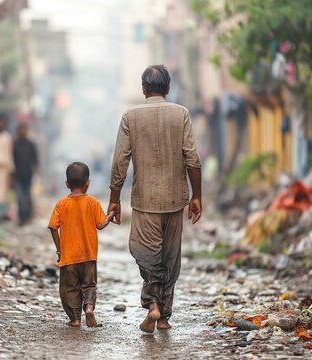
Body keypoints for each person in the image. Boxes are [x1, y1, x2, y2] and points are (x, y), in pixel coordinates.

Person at [108, 65, 202, 333]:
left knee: (148, 254)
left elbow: (120, 161)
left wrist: (114, 198)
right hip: (176, 198)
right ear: (168, 88)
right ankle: (164, 318)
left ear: (143, 89)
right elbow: (192, 158)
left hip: (145, 199)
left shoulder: (130, 117)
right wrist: (197, 196)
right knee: (171, 258)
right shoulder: (181, 113)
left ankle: (152, 305)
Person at [48, 162, 113, 328]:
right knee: (89, 285)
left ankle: (75, 318)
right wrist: (111, 215)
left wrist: (59, 249)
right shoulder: (92, 203)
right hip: (89, 255)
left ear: (67, 184)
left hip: (68, 257)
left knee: (69, 289)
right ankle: (89, 308)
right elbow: (101, 224)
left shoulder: (61, 204)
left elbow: (53, 227)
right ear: (88, 183)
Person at [13, 124, 38, 225]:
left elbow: (35, 160)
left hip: (28, 175)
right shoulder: (15, 144)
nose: (23, 132)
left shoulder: (31, 144)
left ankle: (27, 215)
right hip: (18, 175)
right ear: (18, 132)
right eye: (21, 130)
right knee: (19, 197)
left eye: (25, 130)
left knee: (27, 196)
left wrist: (35, 170)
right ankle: (21, 216)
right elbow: (12, 159)